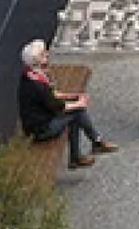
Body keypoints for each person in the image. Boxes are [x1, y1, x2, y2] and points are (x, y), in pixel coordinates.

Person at [18, 39, 116, 169]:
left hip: (36, 122)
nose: (47, 54)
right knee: (77, 113)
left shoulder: (31, 76)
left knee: (76, 113)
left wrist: (72, 96)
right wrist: (80, 103)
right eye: (43, 54)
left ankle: (88, 148)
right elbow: (59, 107)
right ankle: (92, 145)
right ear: (37, 61)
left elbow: (52, 95)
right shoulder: (37, 85)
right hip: (40, 130)